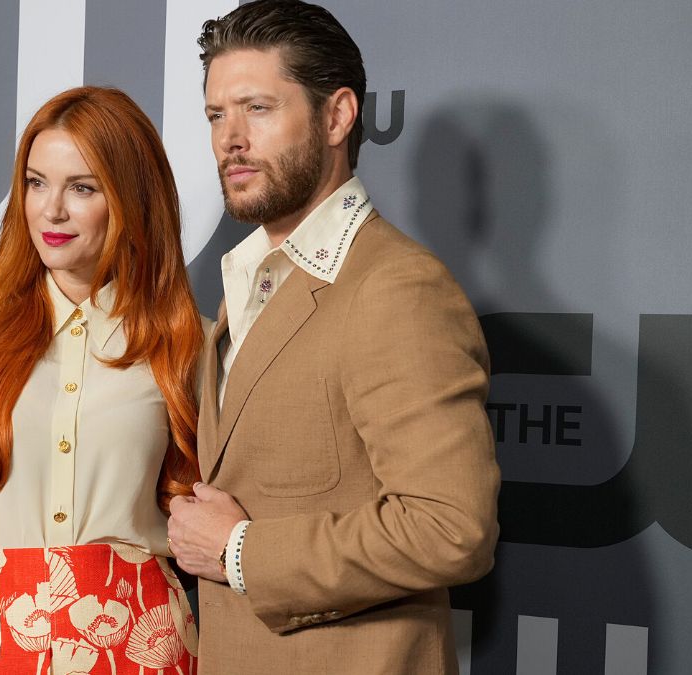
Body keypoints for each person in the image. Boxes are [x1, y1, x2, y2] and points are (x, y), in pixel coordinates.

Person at [165, 2, 501, 673]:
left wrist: (240, 551)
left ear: (338, 116)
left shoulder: (396, 287)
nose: (229, 138)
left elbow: (451, 528)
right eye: (215, 115)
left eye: (257, 108)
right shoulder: (248, 281)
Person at [0, 86, 205, 675]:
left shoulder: (188, 342)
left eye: (82, 188)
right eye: (35, 182)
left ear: (132, 200)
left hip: (142, 645)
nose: (50, 210)